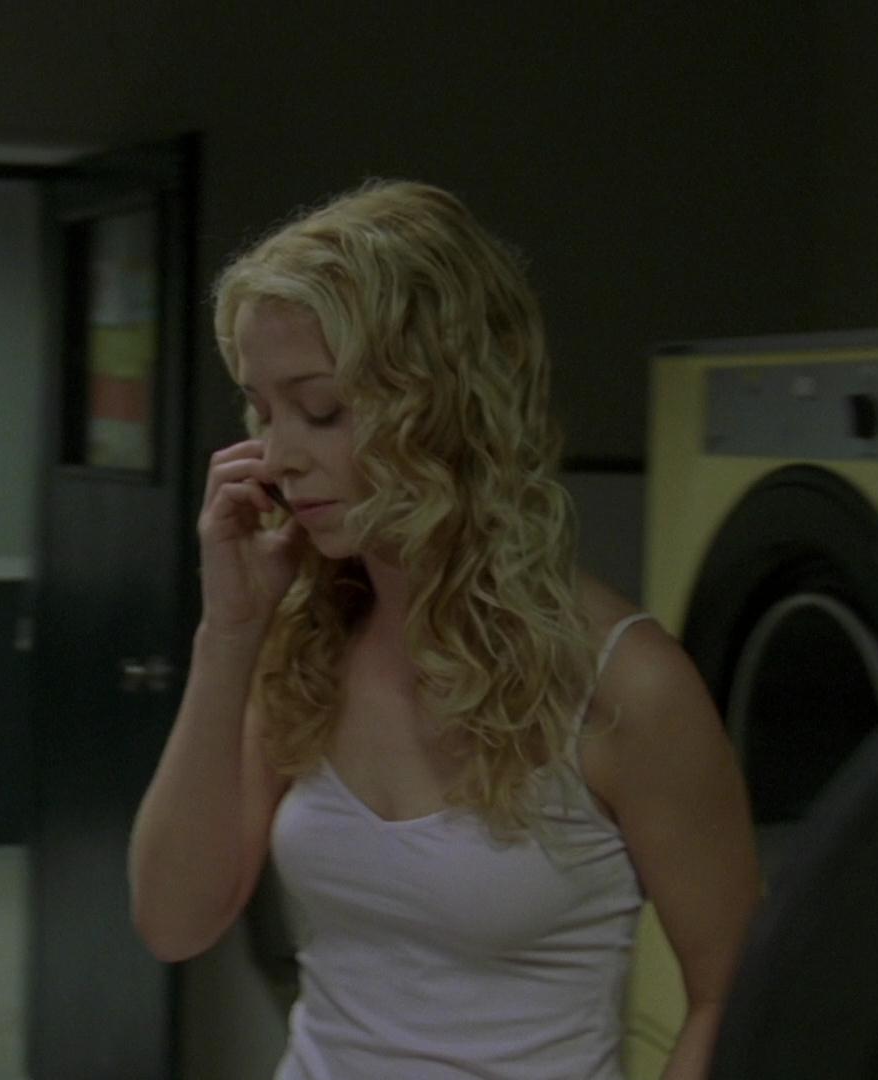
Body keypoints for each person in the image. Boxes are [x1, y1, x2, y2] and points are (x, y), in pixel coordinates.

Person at [127, 179, 761, 1080]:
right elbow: (172, 922)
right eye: (264, 410)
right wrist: (227, 635)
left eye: (323, 409)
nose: (278, 456)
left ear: (443, 403)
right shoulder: (308, 646)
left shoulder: (626, 684)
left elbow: (731, 995)